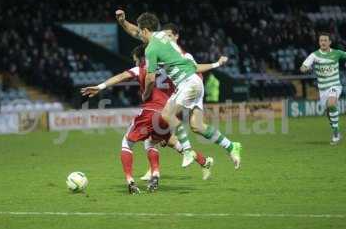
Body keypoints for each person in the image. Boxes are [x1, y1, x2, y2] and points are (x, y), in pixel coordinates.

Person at [116, 10, 242, 169]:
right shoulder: (164, 37)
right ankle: (231, 146)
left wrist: (146, 93)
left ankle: (188, 150)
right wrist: (123, 22)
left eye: (141, 31)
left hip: (187, 82)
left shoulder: (151, 50)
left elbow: (150, 78)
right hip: (195, 82)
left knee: (167, 114)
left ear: (146, 30)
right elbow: (135, 31)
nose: (139, 34)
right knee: (197, 126)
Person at [82, 45, 213, 193]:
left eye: (136, 60)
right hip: (168, 114)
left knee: (127, 142)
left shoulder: (142, 68)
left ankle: (130, 182)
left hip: (150, 112)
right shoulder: (169, 69)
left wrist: (99, 87)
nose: (136, 63)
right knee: (156, 141)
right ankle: (196, 163)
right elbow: (192, 74)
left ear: (141, 59)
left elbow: (121, 77)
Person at [300, 32, 346, 145]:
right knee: (328, 113)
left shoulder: (337, 53)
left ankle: (335, 135)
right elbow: (303, 67)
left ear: (330, 42)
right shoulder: (314, 55)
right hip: (323, 89)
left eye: (325, 40)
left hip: (334, 85)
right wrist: (305, 68)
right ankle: (337, 132)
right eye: (321, 40)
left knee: (331, 104)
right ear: (319, 42)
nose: (323, 42)